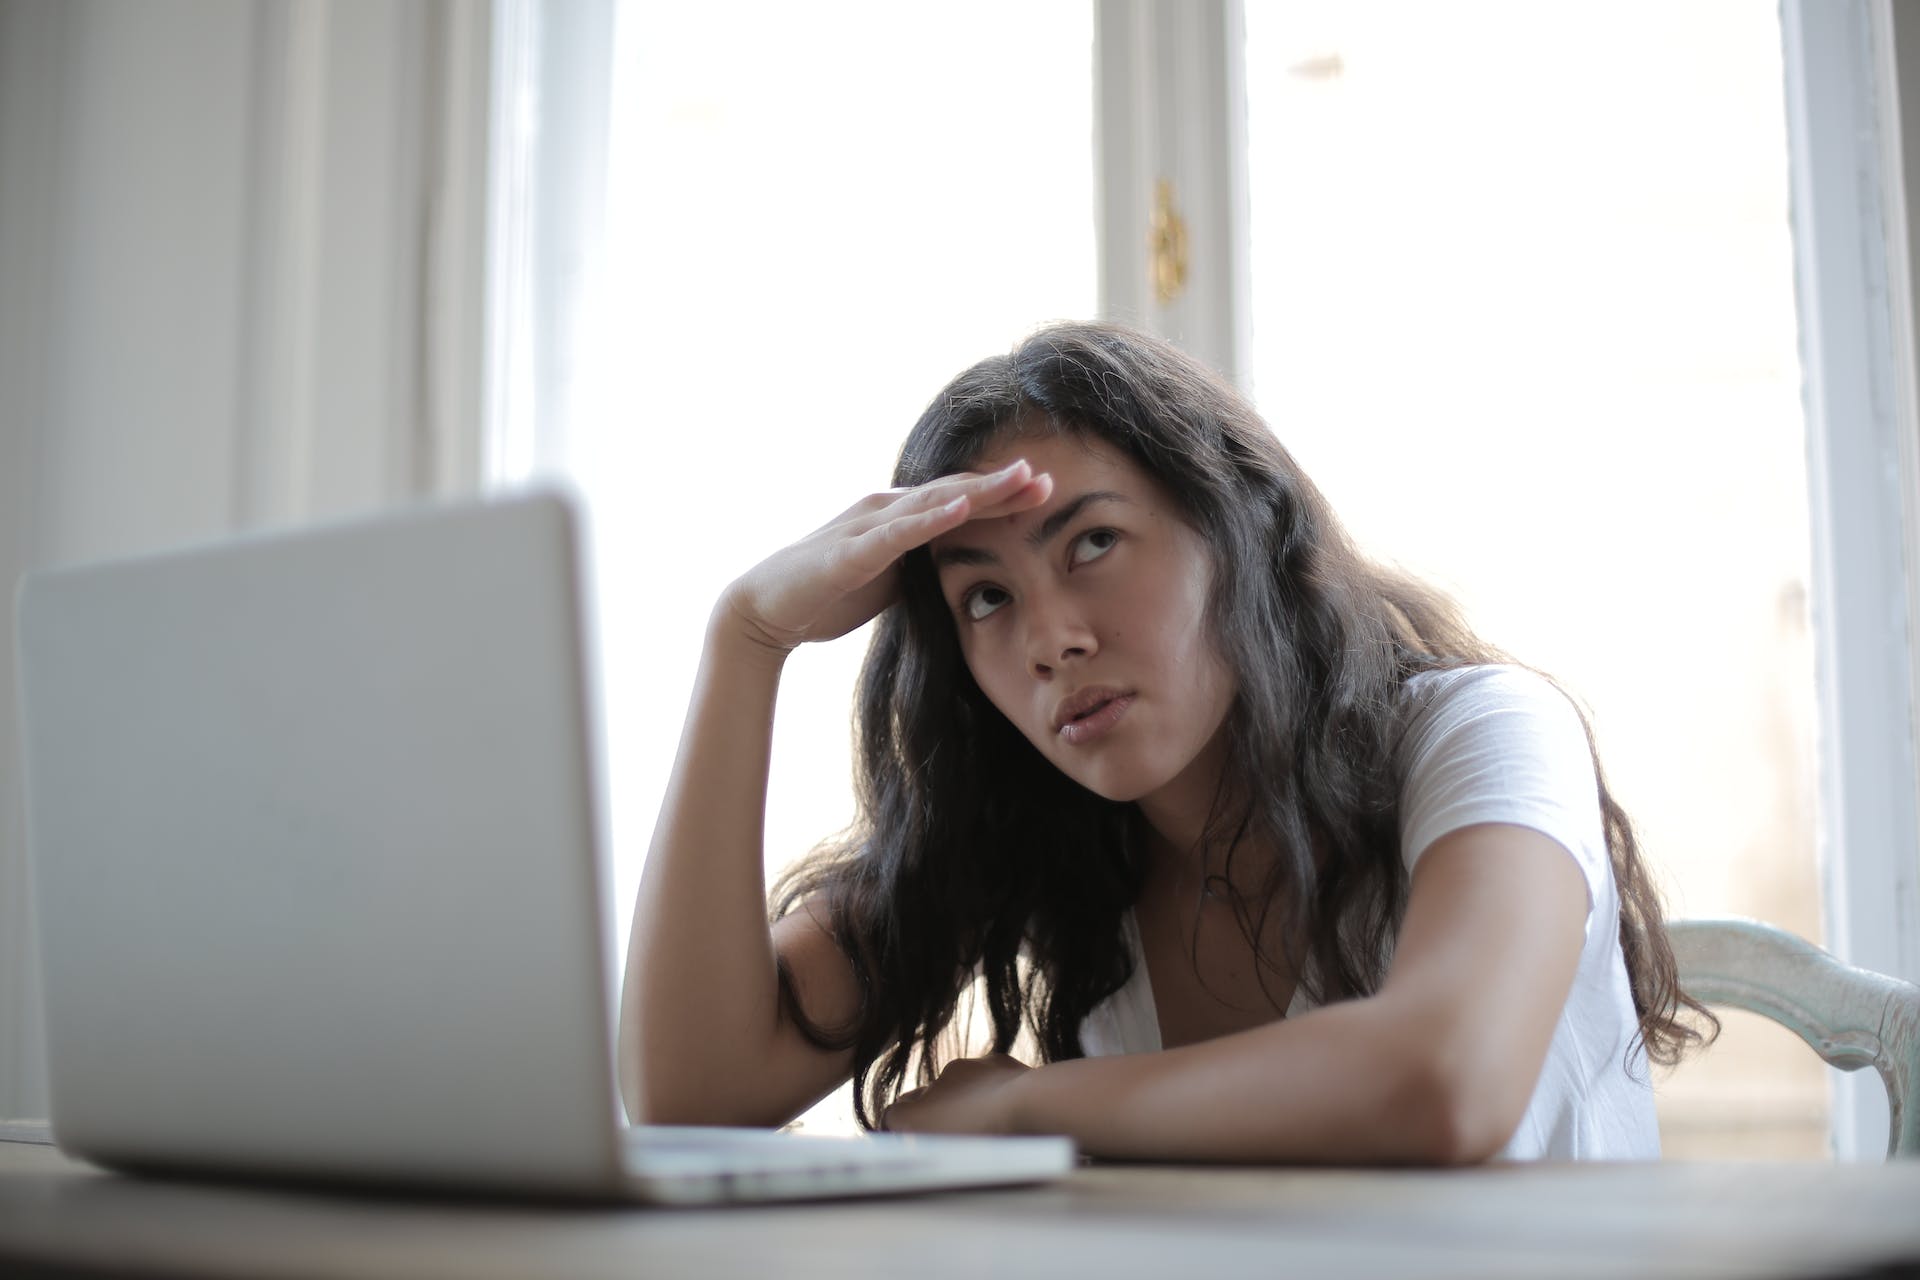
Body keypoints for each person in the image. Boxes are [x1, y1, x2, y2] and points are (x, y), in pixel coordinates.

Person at [617, 321, 1714, 1163]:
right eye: (986, 597)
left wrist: (1019, 1104)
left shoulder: (1483, 732)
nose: (1052, 637)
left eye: (1093, 540)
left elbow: (1447, 1078)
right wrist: (746, 638)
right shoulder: (1043, 826)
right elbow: (691, 1093)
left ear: (1238, 527)